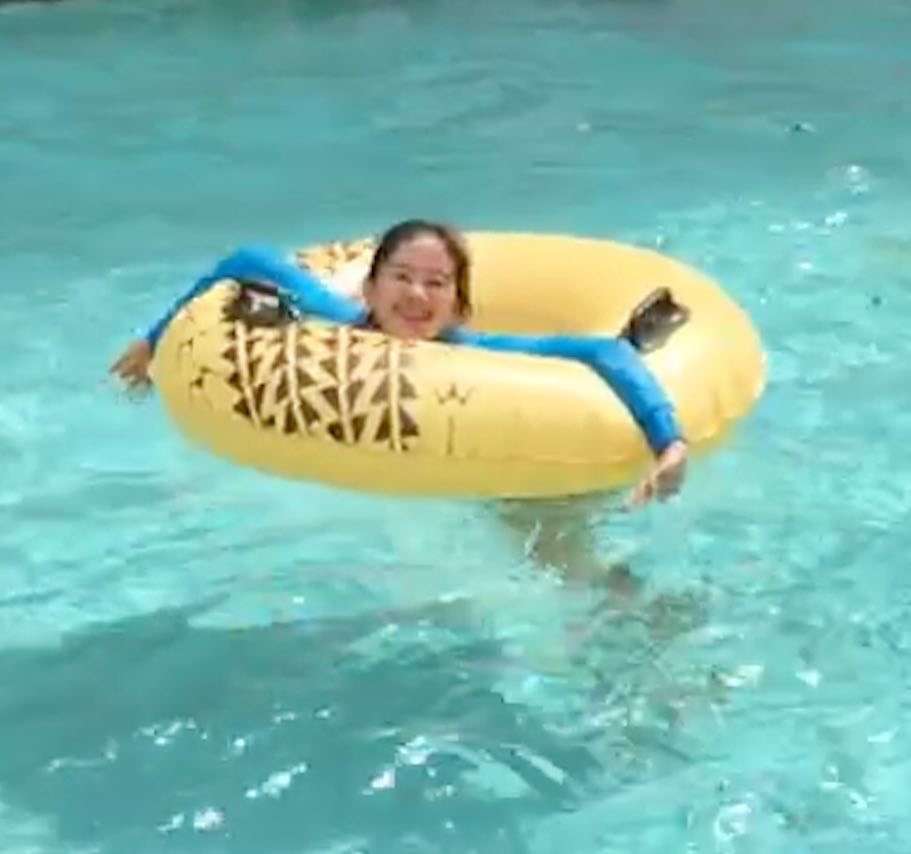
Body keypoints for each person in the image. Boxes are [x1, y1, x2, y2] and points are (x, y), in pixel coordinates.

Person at [111, 220, 687, 507]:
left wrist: (670, 443)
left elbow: (603, 351)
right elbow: (246, 260)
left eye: (436, 284)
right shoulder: (335, 316)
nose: (416, 295)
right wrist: (153, 339)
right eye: (402, 277)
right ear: (370, 288)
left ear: (456, 303)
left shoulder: (474, 352)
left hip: (508, 470)